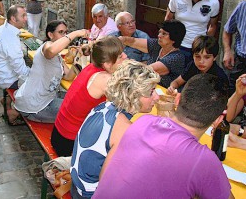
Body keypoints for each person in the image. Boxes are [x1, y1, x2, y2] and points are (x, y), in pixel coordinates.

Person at [93, 74, 233, 199]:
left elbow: (106, 175)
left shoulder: (143, 122)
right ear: (218, 120)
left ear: (177, 100)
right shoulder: (204, 161)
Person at [71, 60, 160, 198]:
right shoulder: (125, 130)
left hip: (77, 186)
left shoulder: (104, 106)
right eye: (151, 92)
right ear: (133, 94)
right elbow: (108, 183)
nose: (157, 97)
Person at [51, 36, 127, 156]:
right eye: (120, 56)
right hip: (69, 142)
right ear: (107, 64)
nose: (125, 57)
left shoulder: (91, 67)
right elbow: (128, 103)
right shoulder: (105, 79)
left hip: (59, 133)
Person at [14, 21, 88, 123]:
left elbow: (68, 76)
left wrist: (79, 57)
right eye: (61, 32)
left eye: (66, 32)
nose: (65, 35)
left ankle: (15, 113)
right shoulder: (47, 47)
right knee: (78, 113)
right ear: (50, 35)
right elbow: (51, 51)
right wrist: (75, 33)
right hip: (36, 105)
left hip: (45, 98)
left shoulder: (57, 57)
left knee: (78, 99)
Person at [165, 0, 220, 64]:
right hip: (177, 45)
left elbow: (212, 25)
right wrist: (168, 42)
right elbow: (168, 19)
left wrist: (206, 45)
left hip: (198, 48)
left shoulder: (214, 2)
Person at [119, 20, 186, 88]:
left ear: (174, 38)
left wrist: (122, 66)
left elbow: (147, 70)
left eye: (164, 34)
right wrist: (121, 39)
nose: (159, 35)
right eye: (159, 32)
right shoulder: (157, 45)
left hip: (163, 92)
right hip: (148, 87)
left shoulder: (177, 57)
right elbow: (133, 41)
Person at [0, 5, 31, 124]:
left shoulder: (2, 28)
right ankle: (14, 113)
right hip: (8, 78)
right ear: (13, 19)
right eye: (23, 16)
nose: (26, 18)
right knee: (42, 88)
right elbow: (20, 69)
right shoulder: (10, 37)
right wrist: (34, 76)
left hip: (1, 73)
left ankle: (7, 101)